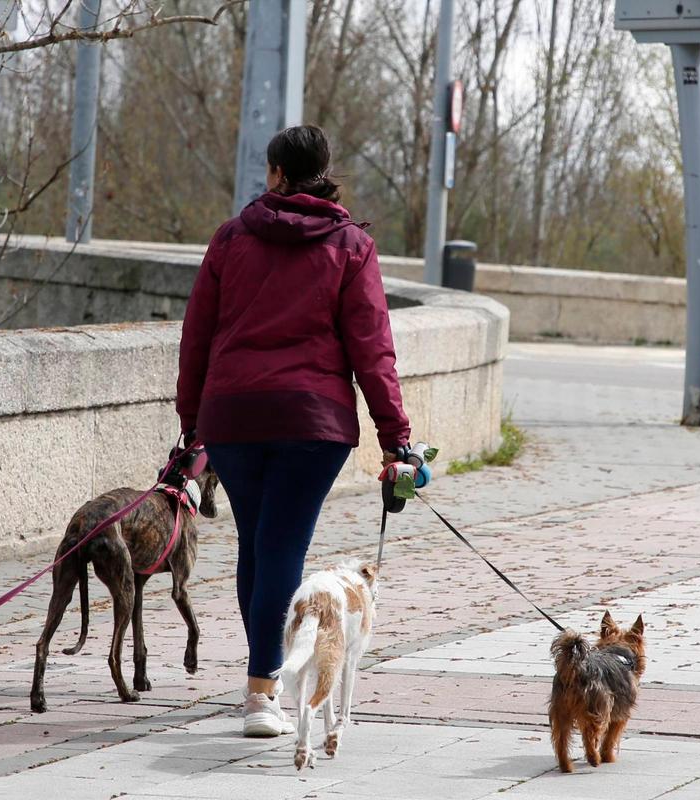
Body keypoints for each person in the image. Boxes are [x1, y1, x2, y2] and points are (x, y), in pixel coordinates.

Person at [176, 124, 411, 736]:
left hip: (234, 415)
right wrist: (396, 438)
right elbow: (372, 347)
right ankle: (262, 692)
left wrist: (192, 423)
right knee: (281, 547)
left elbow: (196, 337)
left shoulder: (231, 238)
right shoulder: (350, 245)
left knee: (258, 547)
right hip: (314, 422)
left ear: (277, 172)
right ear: (325, 172)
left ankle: (262, 686)